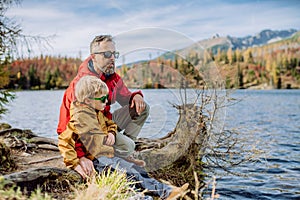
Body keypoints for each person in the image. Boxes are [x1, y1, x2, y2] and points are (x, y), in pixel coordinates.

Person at [58, 76, 188, 199]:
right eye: (102, 99)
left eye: (107, 98)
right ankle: (141, 198)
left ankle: (166, 192)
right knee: (124, 175)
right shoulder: (79, 118)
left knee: (135, 169)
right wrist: (75, 164)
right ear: (87, 100)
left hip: (107, 155)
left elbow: (110, 123)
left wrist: (111, 133)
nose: (106, 102)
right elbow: (64, 142)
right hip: (97, 161)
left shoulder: (97, 112)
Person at [57, 35, 149, 171]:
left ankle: (124, 153)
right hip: (89, 132)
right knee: (128, 145)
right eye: (107, 54)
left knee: (143, 108)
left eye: (114, 54)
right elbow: (68, 126)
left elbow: (125, 98)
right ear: (93, 57)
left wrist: (136, 96)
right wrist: (80, 156)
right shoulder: (82, 85)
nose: (112, 58)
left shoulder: (112, 77)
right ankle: (122, 149)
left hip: (105, 124)